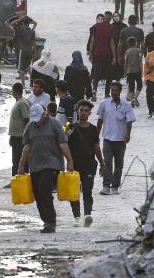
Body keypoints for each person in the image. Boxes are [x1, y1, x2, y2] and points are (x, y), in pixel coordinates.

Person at [19, 103, 74, 234]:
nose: (38, 121)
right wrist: (21, 165)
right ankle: (46, 220)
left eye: (40, 118)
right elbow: (26, 147)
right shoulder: (30, 127)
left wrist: (70, 161)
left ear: (45, 114)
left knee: (44, 190)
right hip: (35, 165)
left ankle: (51, 222)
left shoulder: (54, 124)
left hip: (52, 164)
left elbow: (63, 144)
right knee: (37, 193)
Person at [68, 99, 104, 227]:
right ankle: (77, 217)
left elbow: (96, 147)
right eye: (81, 110)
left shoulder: (93, 129)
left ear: (89, 113)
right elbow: (62, 145)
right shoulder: (71, 127)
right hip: (74, 167)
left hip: (89, 165)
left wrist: (102, 163)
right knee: (74, 192)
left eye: (86, 111)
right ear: (77, 112)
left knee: (88, 191)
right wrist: (67, 135)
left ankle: (87, 216)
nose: (83, 113)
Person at [95, 81, 135, 196]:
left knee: (119, 164)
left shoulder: (126, 105)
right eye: (112, 90)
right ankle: (106, 186)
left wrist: (128, 134)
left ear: (120, 91)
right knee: (107, 162)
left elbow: (129, 121)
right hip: (107, 138)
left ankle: (115, 186)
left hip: (120, 139)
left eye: (116, 90)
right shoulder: (104, 103)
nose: (114, 92)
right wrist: (96, 135)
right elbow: (100, 120)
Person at [87, 13, 117, 99]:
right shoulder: (111, 27)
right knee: (109, 75)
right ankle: (107, 93)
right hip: (108, 55)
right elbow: (112, 42)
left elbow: (92, 41)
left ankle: (94, 91)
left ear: (103, 18)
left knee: (96, 74)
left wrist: (91, 53)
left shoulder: (96, 27)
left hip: (97, 54)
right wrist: (114, 56)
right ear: (111, 19)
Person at [7, 82, 31, 179]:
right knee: (16, 160)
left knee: (19, 160)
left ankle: (19, 179)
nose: (12, 92)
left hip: (20, 137)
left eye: (12, 91)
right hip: (15, 136)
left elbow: (27, 119)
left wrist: (27, 136)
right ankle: (16, 179)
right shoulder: (19, 102)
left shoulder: (21, 103)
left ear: (16, 92)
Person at [7, 9, 37, 76]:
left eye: (20, 11)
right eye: (17, 11)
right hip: (17, 38)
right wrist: (13, 29)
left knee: (22, 56)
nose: (19, 13)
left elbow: (35, 23)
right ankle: (21, 72)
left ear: (23, 11)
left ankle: (23, 73)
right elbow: (8, 23)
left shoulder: (26, 18)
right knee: (18, 56)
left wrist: (32, 30)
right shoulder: (14, 18)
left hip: (24, 37)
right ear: (15, 12)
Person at [123, 37, 144, 103]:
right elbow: (140, 62)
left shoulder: (127, 51)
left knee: (131, 86)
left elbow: (125, 63)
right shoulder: (139, 51)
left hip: (130, 71)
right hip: (137, 71)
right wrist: (142, 71)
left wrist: (125, 72)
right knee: (139, 85)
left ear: (128, 44)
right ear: (135, 43)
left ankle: (132, 99)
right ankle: (135, 98)